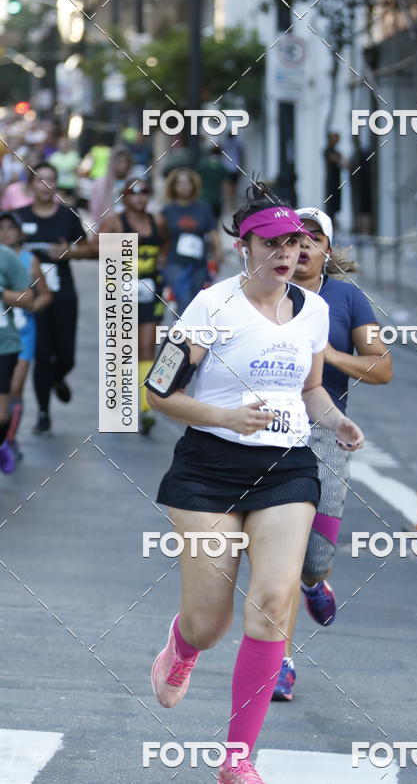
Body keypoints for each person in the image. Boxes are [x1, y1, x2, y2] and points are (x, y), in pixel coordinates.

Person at [146, 184, 364, 784]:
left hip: (286, 470)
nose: (286, 254)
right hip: (208, 470)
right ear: (244, 247)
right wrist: (225, 416)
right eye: (272, 244)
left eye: (295, 243)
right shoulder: (210, 308)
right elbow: (158, 392)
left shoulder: (313, 310)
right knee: (209, 622)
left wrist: (338, 420)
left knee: (272, 604)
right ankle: (183, 648)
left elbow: (312, 387)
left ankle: (237, 757)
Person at [270, 207, 392, 701]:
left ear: (326, 249)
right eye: (290, 239)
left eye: (311, 240)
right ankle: (279, 661)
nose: (299, 249)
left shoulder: (345, 298)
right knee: (278, 557)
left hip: (325, 432)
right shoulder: (260, 295)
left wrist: (322, 353)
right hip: (269, 433)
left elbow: (381, 368)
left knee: (313, 557)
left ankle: (316, 580)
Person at [17, 162, 93, 434]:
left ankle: (59, 377)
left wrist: (70, 253)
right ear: (31, 185)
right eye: (40, 179)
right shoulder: (17, 217)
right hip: (32, 298)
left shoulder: (68, 216)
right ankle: (43, 413)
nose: (46, 185)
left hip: (64, 295)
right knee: (40, 355)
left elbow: (91, 249)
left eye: (51, 179)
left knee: (65, 356)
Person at [97, 178, 168, 435]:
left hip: (150, 289)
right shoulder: (114, 222)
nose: (139, 197)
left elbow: (165, 245)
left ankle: (146, 411)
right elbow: (99, 251)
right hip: (120, 291)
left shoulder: (157, 221)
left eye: (145, 192)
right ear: (124, 196)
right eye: (133, 192)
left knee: (147, 347)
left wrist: (160, 261)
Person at [0, 212, 52, 459]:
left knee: (16, 386)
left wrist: (32, 306)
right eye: (2, 228)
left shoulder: (28, 259)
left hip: (23, 330)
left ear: (19, 232)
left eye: (11, 228)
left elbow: (44, 294)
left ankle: (10, 438)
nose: (6, 232)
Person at [159, 168, 222, 316]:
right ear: (173, 186)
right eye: (179, 183)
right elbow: (161, 236)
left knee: (196, 300)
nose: (184, 186)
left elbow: (213, 231)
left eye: (187, 183)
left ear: (194, 185)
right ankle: (182, 334)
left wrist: (218, 253)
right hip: (175, 262)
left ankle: (189, 332)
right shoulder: (167, 210)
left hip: (199, 263)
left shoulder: (203, 207)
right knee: (184, 297)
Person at [0, 242, 34, 471]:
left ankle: (3, 443)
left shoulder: (6, 256)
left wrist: (2, 293)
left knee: (1, 414)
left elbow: (28, 298)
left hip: (3, 345)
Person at [90, 145, 133, 228]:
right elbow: (95, 208)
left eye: (125, 162)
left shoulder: (133, 183)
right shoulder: (100, 184)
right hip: (107, 226)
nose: (123, 165)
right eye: (120, 162)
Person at [196, 144, 230, 219]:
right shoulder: (221, 166)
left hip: (204, 197)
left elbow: (197, 181)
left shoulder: (202, 165)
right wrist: (227, 202)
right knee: (216, 220)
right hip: (217, 199)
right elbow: (225, 185)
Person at [49, 135, 81, 205]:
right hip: (58, 184)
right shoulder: (54, 156)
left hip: (70, 185)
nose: (63, 146)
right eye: (61, 144)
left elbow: (76, 171)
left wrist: (78, 184)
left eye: (65, 144)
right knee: (58, 203)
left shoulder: (74, 155)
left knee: (70, 204)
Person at [324, 132, 344, 220]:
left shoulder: (336, 152)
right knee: (331, 204)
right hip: (331, 181)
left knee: (335, 204)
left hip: (337, 181)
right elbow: (335, 159)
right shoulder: (327, 151)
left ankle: (334, 221)